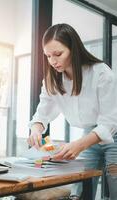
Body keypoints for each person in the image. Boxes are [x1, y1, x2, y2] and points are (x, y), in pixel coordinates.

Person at [28, 23, 117, 200]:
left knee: (115, 186)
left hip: (114, 134)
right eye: (48, 56)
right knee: (79, 190)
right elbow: (42, 113)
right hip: (88, 135)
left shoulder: (101, 73)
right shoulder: (52, 80)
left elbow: (109, 122)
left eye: (58, 54)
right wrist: (36, 129)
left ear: (73, 49)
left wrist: (78, 145)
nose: (53, 61)